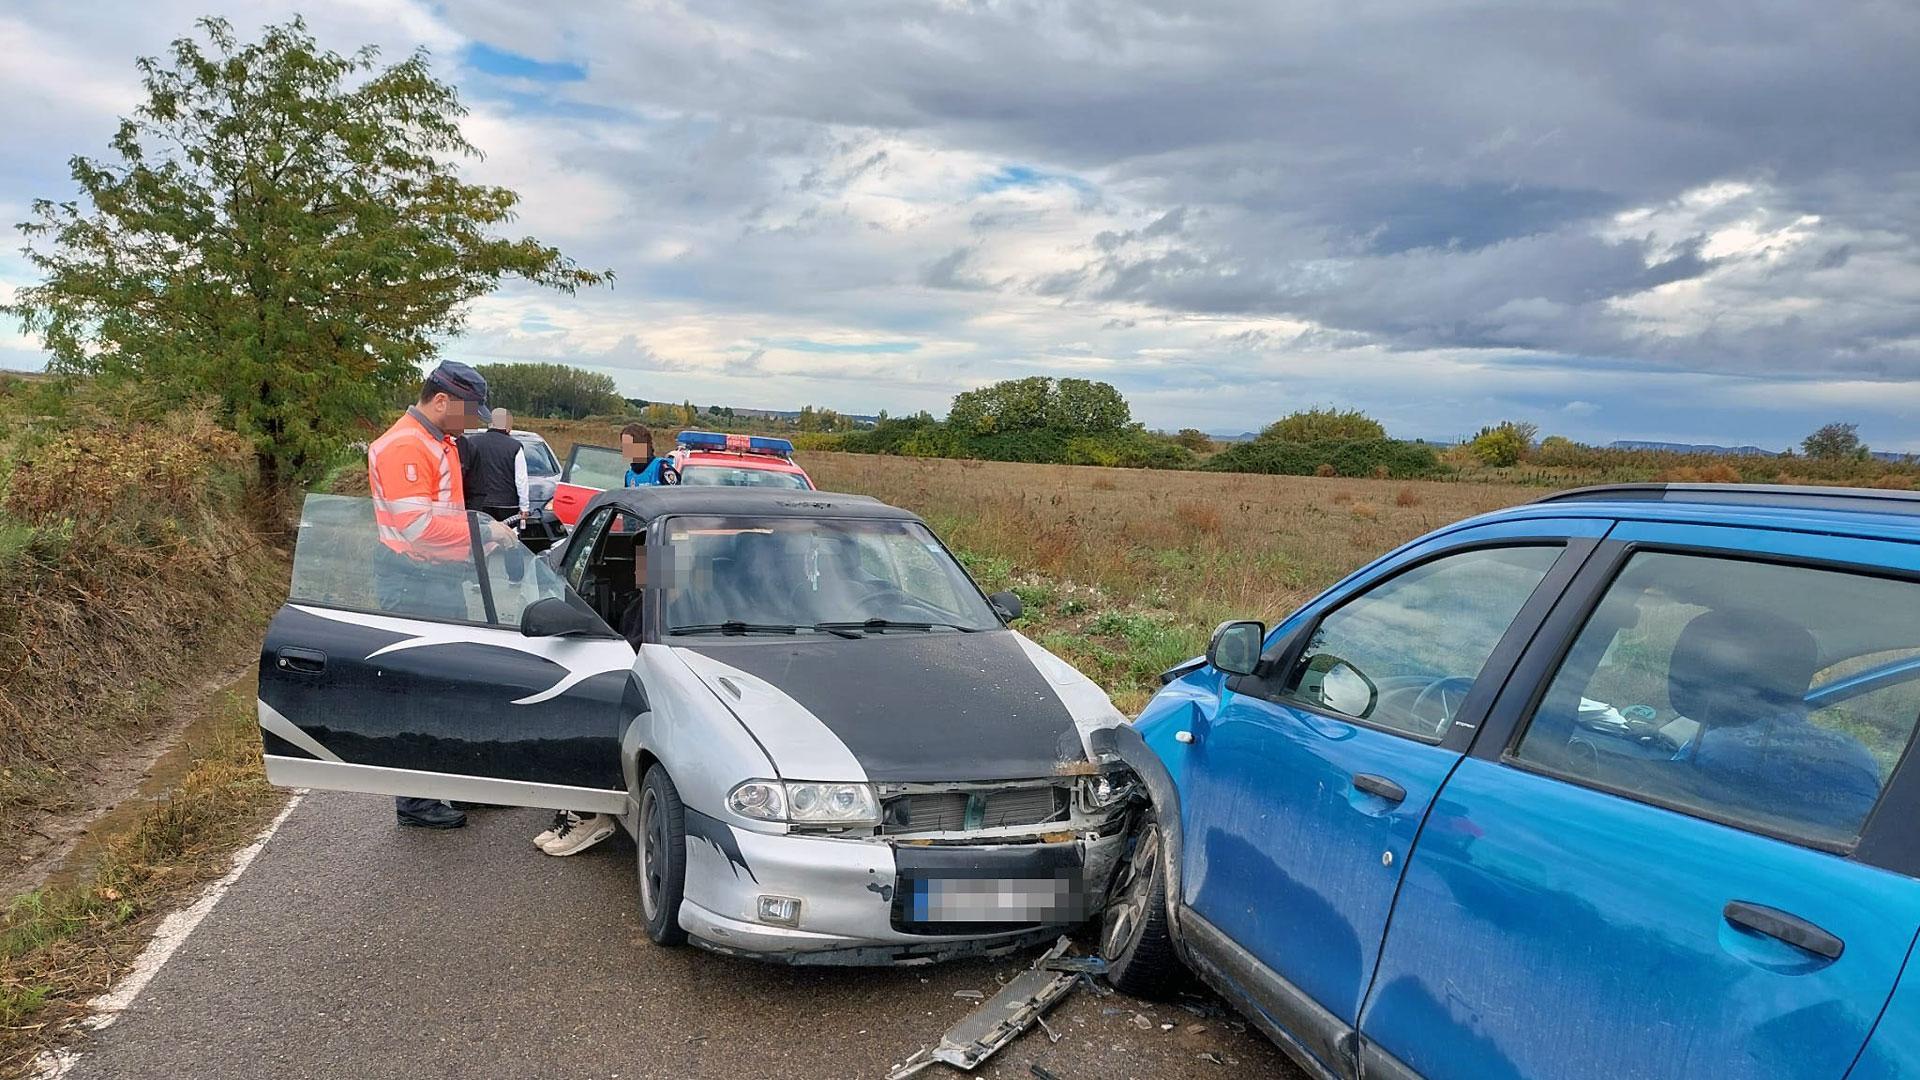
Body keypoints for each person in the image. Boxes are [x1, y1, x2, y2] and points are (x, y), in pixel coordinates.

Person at [367, 360, 514, 830]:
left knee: (451, 687)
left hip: (436, 577)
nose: (474, 422)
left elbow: (442, 514)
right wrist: (484, 532)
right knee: (423, 692)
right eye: (470, 412)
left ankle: (452, 786)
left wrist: (480, 539)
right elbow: (418, 527)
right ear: (442, 401)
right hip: (413, 578)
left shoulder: (439, 442)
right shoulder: (406, 446)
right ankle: (415, 800)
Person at [532, 534, 644, 856]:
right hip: (630, 681)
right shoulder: (641, 601)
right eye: (642, 558)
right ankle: (573, 808)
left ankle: (588, 813)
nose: (641, 566)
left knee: (581, 713)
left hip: (643, 690)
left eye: (655, 559)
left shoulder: (668, 603)